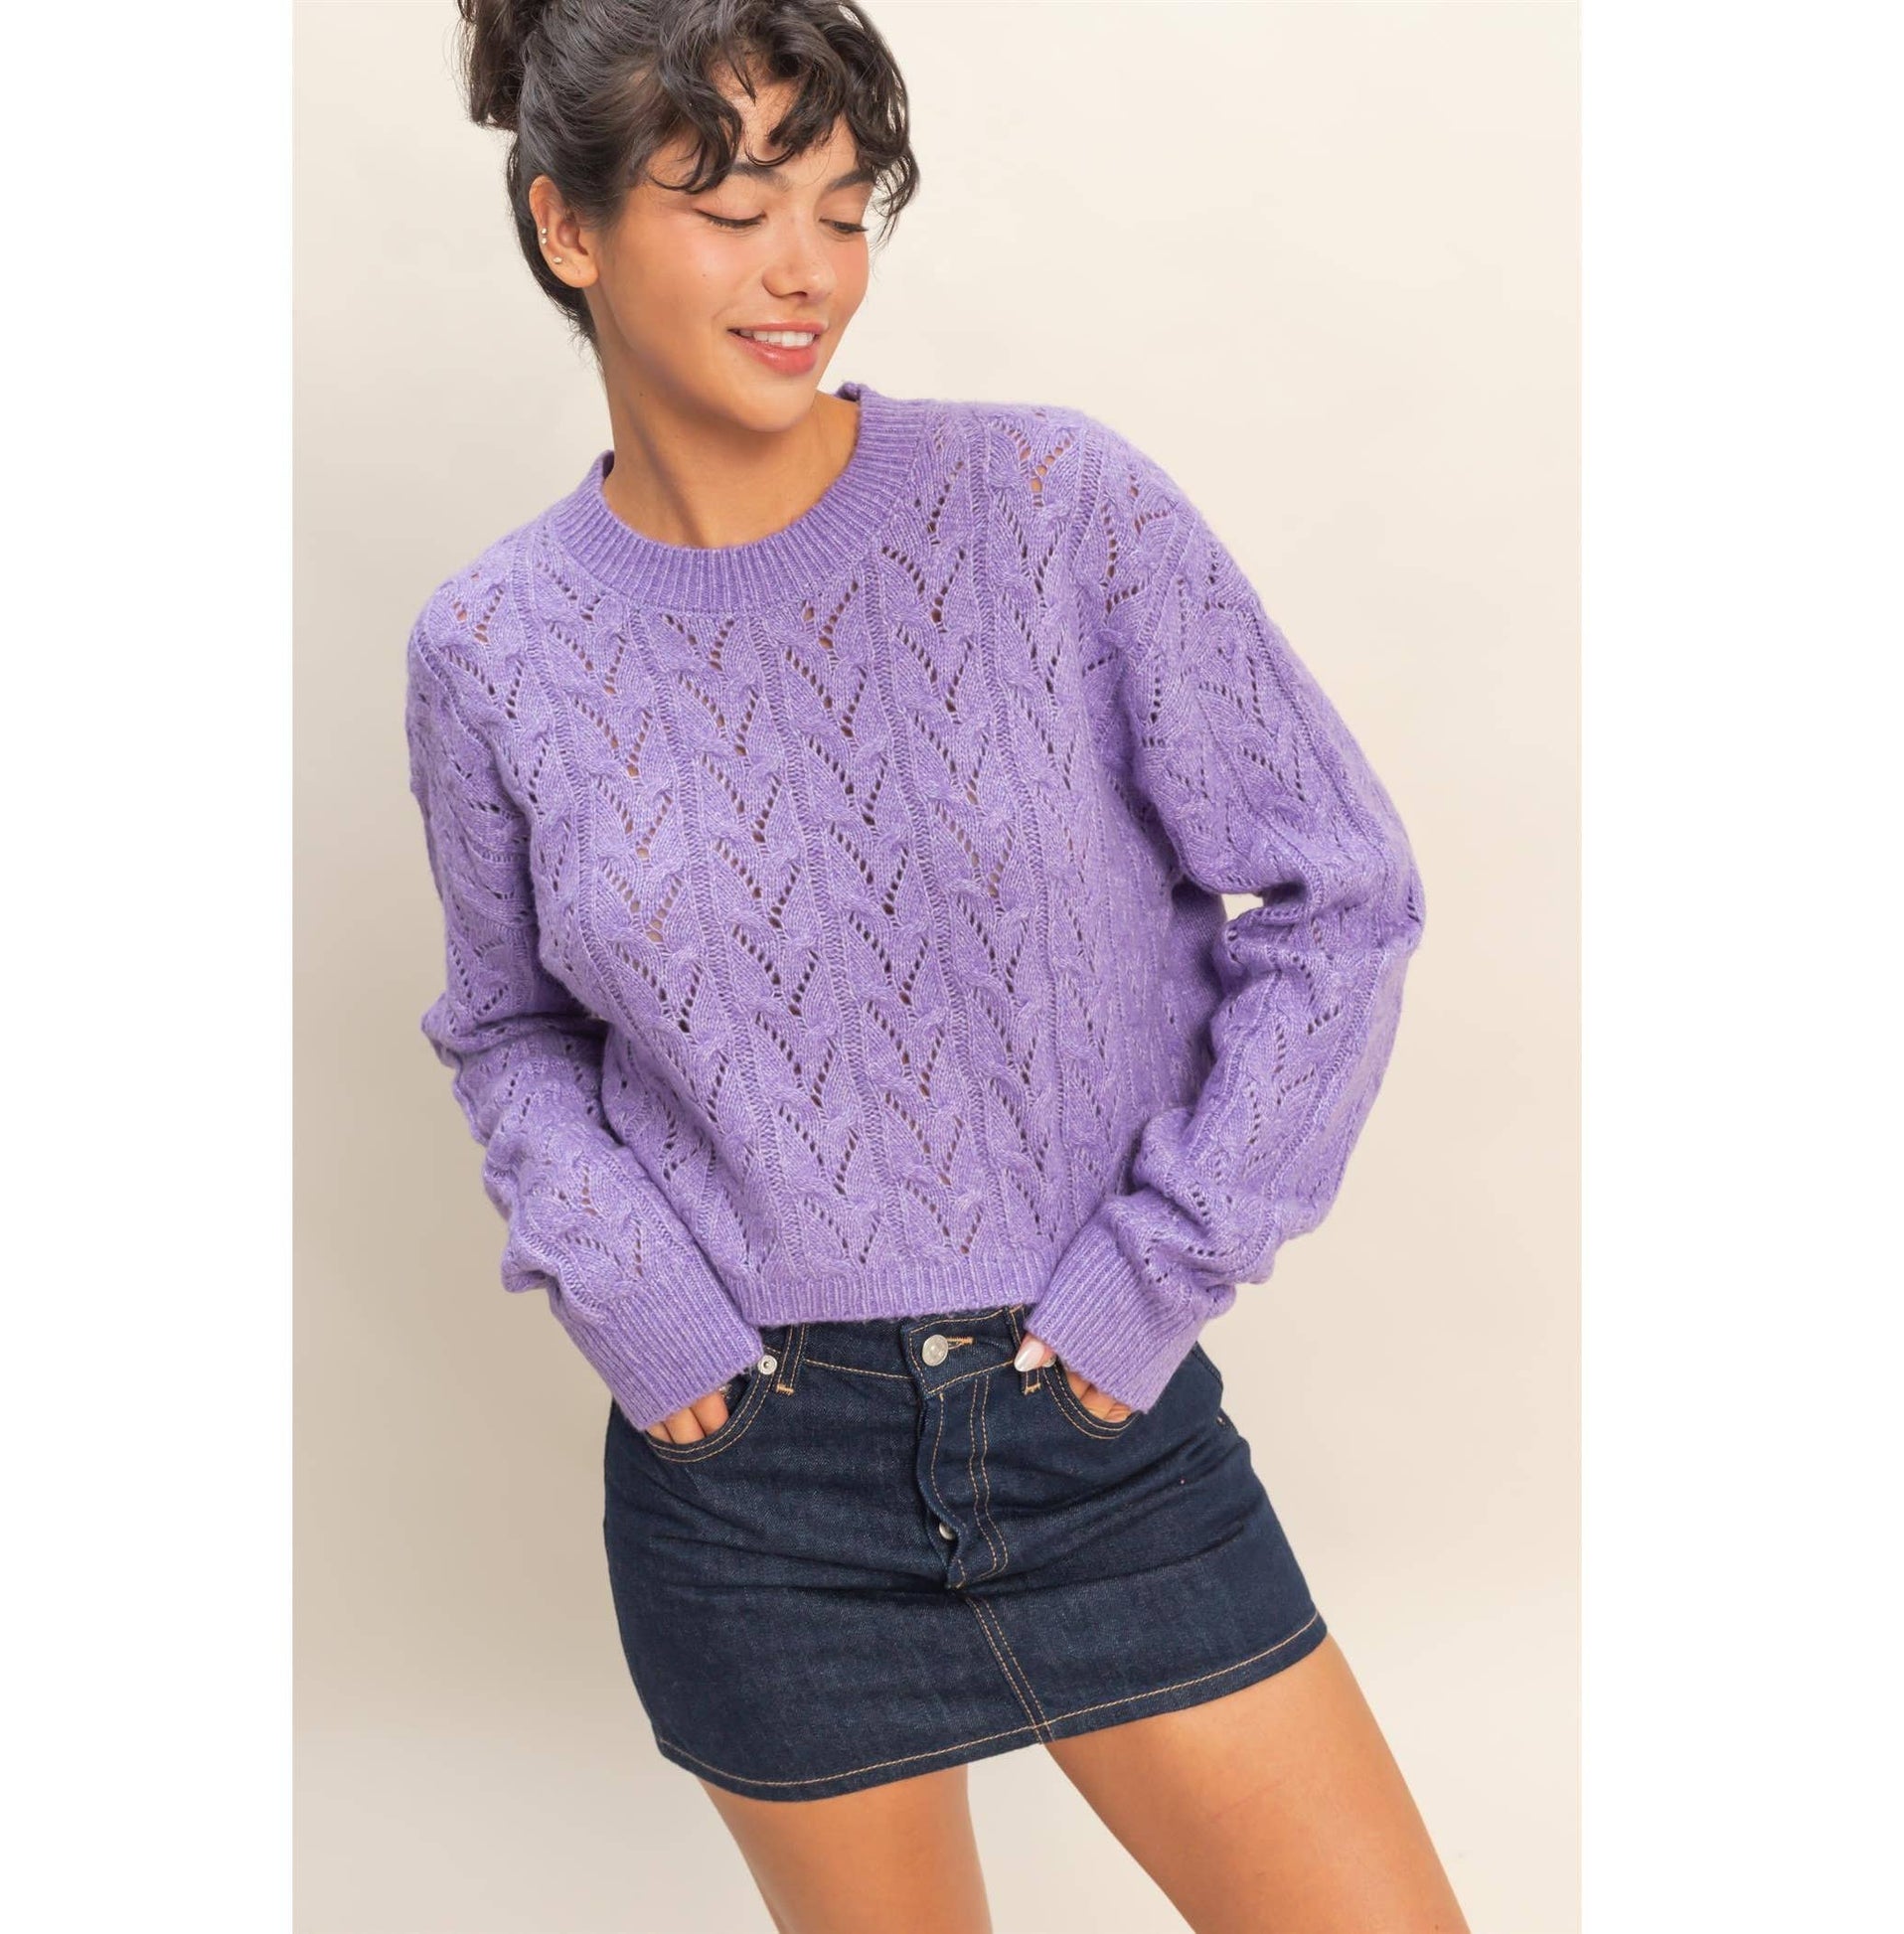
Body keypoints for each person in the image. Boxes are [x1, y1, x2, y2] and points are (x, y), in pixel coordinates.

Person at [403, 2, 1466, 1928]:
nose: (804, 270)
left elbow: (1340, 892)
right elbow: (511, 1029)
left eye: (841, 208)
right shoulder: (492, 646)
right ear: (567, 225)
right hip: (750, 1482)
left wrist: (1159, 1274)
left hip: (1096, 1425)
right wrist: (636, 1295)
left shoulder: (1056, 508)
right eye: (731, 208)